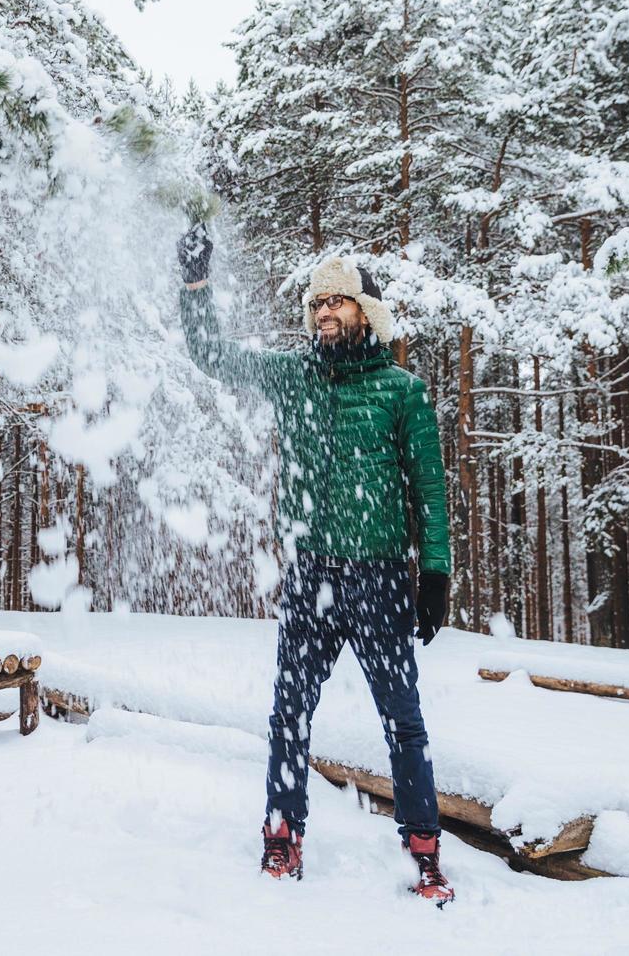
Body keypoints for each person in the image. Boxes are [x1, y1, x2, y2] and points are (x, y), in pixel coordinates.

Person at [175, 226, 454, 906]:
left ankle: (424, 852)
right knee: (288, 711)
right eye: (317, 303)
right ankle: (282, 835)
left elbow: (430, 491)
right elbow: (210, 353)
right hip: (311, 577)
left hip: (381, 577)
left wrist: (436, 574)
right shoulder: (293, 375)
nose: (325, 312)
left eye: (339, 301)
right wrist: (194, 285)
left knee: (403, 719)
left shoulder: (401, 391)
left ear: (366, 313)